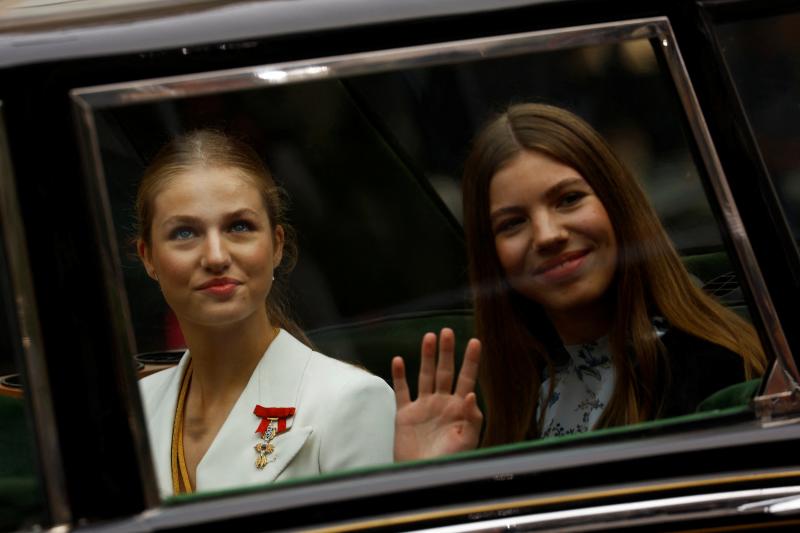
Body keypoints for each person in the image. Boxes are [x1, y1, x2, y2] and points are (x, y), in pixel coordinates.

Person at [392, 103, 767, 459]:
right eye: (513, 223)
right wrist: (433, 476)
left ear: (617, 203)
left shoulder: (719, 371)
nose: (547, 235)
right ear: (492, 256)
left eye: (569, 199)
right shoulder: (512, 404)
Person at [136, 130, 394, 496]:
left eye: (239, 227)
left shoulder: (349, 400)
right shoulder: (134, 411)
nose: (216, 256)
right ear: (148, 257)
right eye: (184, 233)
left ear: (276, 245)